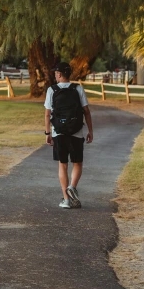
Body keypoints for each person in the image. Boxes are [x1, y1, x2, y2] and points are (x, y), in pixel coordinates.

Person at [44, 62, 93, 209]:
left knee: (63, 164)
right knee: (77, 163)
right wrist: (90, 131)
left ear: (59, 74)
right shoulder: (78, 88)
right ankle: (72, 186)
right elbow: (86, 111)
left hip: (59, 132)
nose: (54, 75)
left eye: (55, 73)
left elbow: (47, 114)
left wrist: (48, 133)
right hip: (76, 131)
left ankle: (66, 200)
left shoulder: (51, 90)